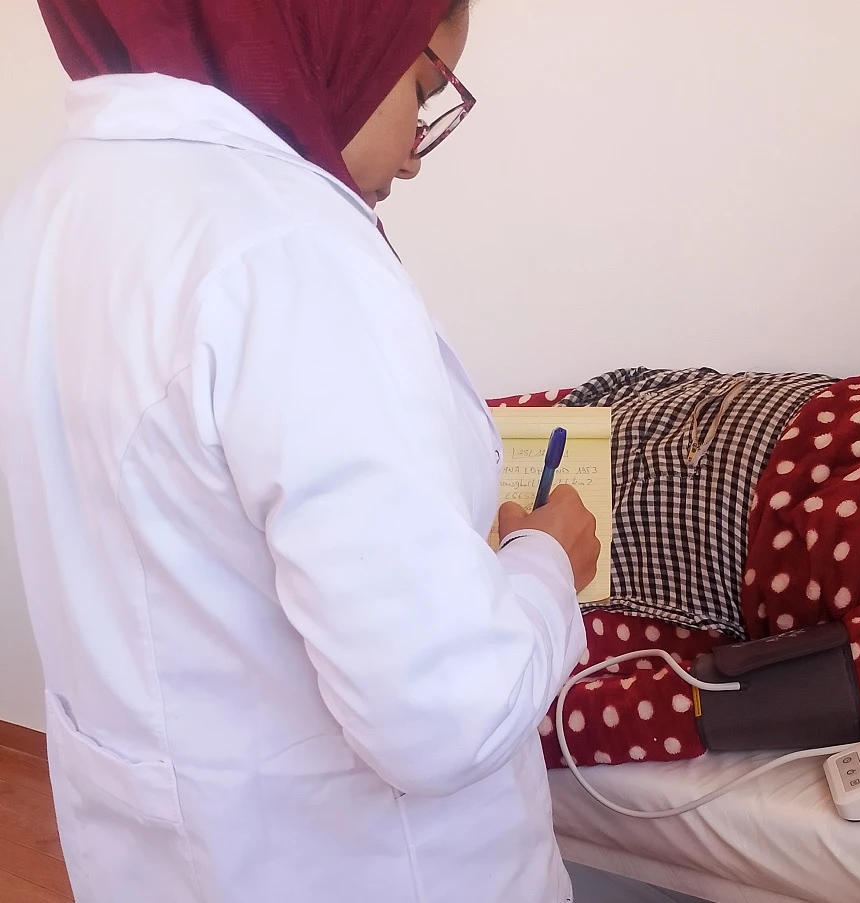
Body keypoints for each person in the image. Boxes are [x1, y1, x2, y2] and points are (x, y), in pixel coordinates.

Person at [0, 2, 611, 902]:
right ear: (342, 27)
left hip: (162, 855)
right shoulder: (287, 252)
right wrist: (546, 566)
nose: (415, 147)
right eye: (426, 88)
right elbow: (443, 717)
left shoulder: (56, 198)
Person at [491, 266, 860, 903]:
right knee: (425, 457)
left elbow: (695, 703)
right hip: (690, 419)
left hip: (671, 547)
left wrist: (493, 731)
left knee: (437, 601)